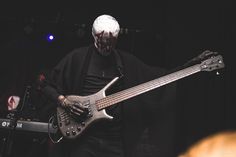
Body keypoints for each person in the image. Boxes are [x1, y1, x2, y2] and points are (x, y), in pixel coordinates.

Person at [40, 14, 176, 157]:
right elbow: (46, 85)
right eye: (102, 42)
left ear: (116, 39)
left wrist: (191, 66)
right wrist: (65, 102)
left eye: (110, 43)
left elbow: (156, 76)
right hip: (84, 139)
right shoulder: (77, 58)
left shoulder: (125, 62)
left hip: (114, 139)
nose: (106, 47)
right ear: (94, 36)